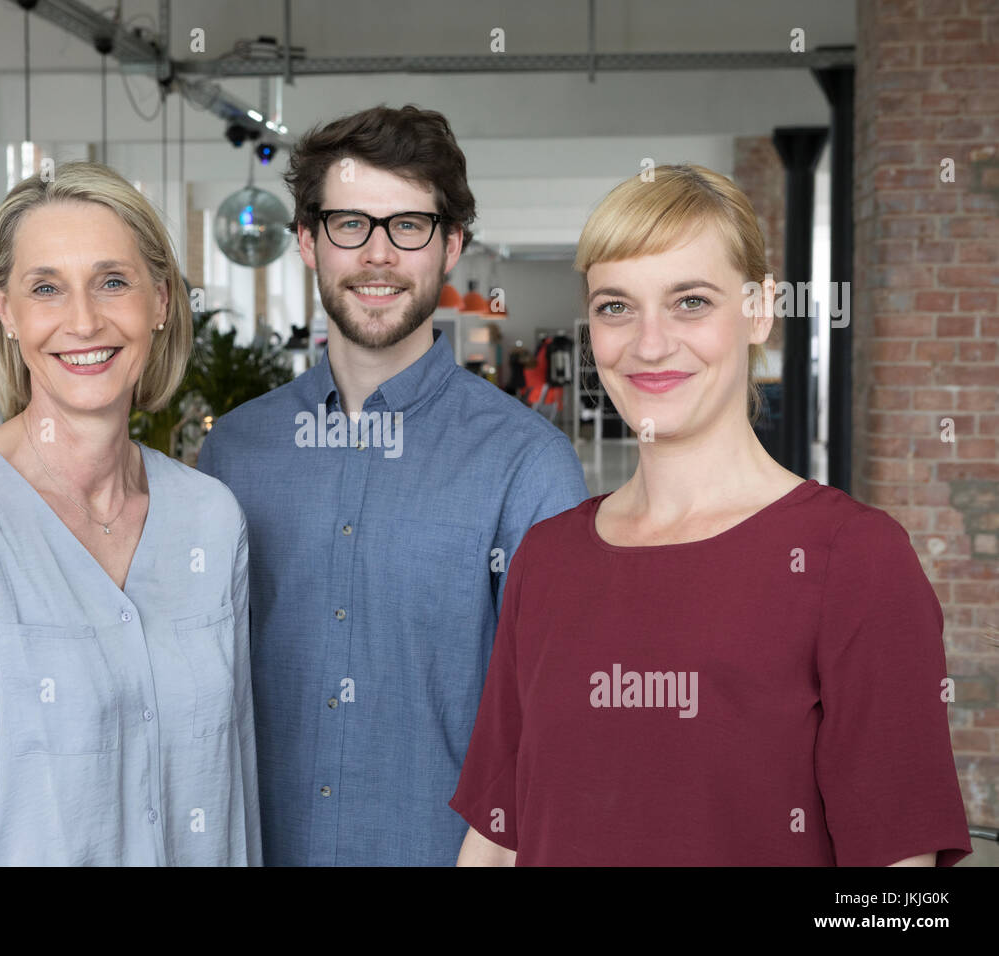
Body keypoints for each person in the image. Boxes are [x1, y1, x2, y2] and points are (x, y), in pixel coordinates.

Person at [451, 164, 973, 866]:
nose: (650, 342)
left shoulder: (853, 559)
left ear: (759, 310)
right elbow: (497, 833)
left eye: (690, 301)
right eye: (616, 306)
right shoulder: (547, 558)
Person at [197, 105, 589, 866]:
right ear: (308, 241)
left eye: (407, 225)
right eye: (351, 224)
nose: (378, 255)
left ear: (450, 245)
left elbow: (559, 726)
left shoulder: (528, 465)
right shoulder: (235, 455)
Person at [0, 161, 260, 866]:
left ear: (160, 301)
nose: (83, 321)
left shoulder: (211, 520)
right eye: (46, 287)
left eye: (112, 281)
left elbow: (235, 794)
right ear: (7, 311)